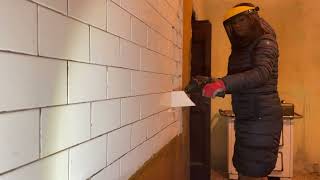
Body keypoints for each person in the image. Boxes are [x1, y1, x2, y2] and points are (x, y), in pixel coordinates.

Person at [202, 3, 283, 180]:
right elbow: (239, 81)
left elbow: (261, 74)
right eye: (233, 23)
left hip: (262, 117)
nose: (237, 26)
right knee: (244, 167)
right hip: (247, 116)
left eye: (241, 20)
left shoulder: (266, 42)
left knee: (254, 171)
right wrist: (213, 85)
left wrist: (223, 84)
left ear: (253, 19)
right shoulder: (241, 49)